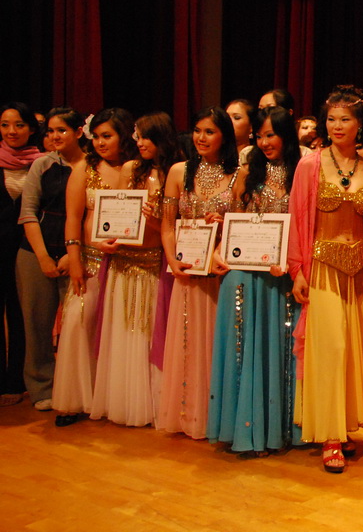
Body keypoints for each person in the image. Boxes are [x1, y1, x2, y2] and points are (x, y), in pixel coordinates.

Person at [287, 86, 363, 473]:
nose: (337, 125)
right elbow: (298, 218)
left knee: (357, 352)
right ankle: (329, 436)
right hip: (323, 266)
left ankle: (348, 427)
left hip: (361, 270)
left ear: (360, 124)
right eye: (331, 118)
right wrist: (297, 270)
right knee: (329, 349)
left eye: (345, 119)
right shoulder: (309, 164)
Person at [208, 106, 303, 456]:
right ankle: (244, 429)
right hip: (244, 276)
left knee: (277, 351)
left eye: (271, 135)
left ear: (286, 135)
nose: (264, 142)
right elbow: (234, 221)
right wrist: (220, 250)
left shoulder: (302, 173)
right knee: (242, 350)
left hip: (281, 279)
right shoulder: (247, 173)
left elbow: (306, 227)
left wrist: (292, 263)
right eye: (259, 136)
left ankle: (278, 430)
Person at [89, 112, 180, 427]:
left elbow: (172, 227)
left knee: (147, 330)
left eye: (144, 136)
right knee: (122, 329)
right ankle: (122, 402)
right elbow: (119, 212)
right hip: (124, 259)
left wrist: (156, 220)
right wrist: (106, 237)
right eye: (136, 137)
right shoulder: (131, 169)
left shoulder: (175, 173)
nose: (138, 142)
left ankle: (153, 405)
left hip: (153, 261)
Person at [158, 107, 239, 439]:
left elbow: (248, 225)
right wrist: (172, 260)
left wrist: (226, 225)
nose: (201, 138)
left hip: (222, 271)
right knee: (189, 341)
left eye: (209, 131)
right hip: (188, 270)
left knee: (220, 342)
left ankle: (219, 416)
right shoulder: (179, 171)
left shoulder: (239, 174)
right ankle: (189, 414)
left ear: (224, 136)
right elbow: (166, 225)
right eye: (197, 130)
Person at [54, 108, 138, 426]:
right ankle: (74, 401)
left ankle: (109, 398)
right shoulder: (84, 168)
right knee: (78, 322)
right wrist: (75, 260)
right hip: (90, 260)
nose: (101, 143)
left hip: (127, 262)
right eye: (97, 136)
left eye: (108, 136)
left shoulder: (138, 169)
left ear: (124, 137)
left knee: (117, 330)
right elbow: (73, 219)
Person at [16, 108, 86, 412]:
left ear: (79, 133)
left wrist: (74, 256)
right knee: (37, 324)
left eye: (62, 130)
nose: (54, 137)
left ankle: (75, 387)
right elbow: (28, 212)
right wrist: (43, 257)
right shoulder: (42, 165)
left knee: (77, 325)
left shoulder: (92, 166)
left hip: (77, 255)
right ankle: (41, 386)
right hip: (35, 253)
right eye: (50, 131)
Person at [0, 103, 42, 406]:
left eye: (18, 125)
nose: (11, 131)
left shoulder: (45, 163)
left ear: (31, 128)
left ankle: (15, 380)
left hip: (27, 250)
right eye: (4, 125)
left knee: (21, 314)